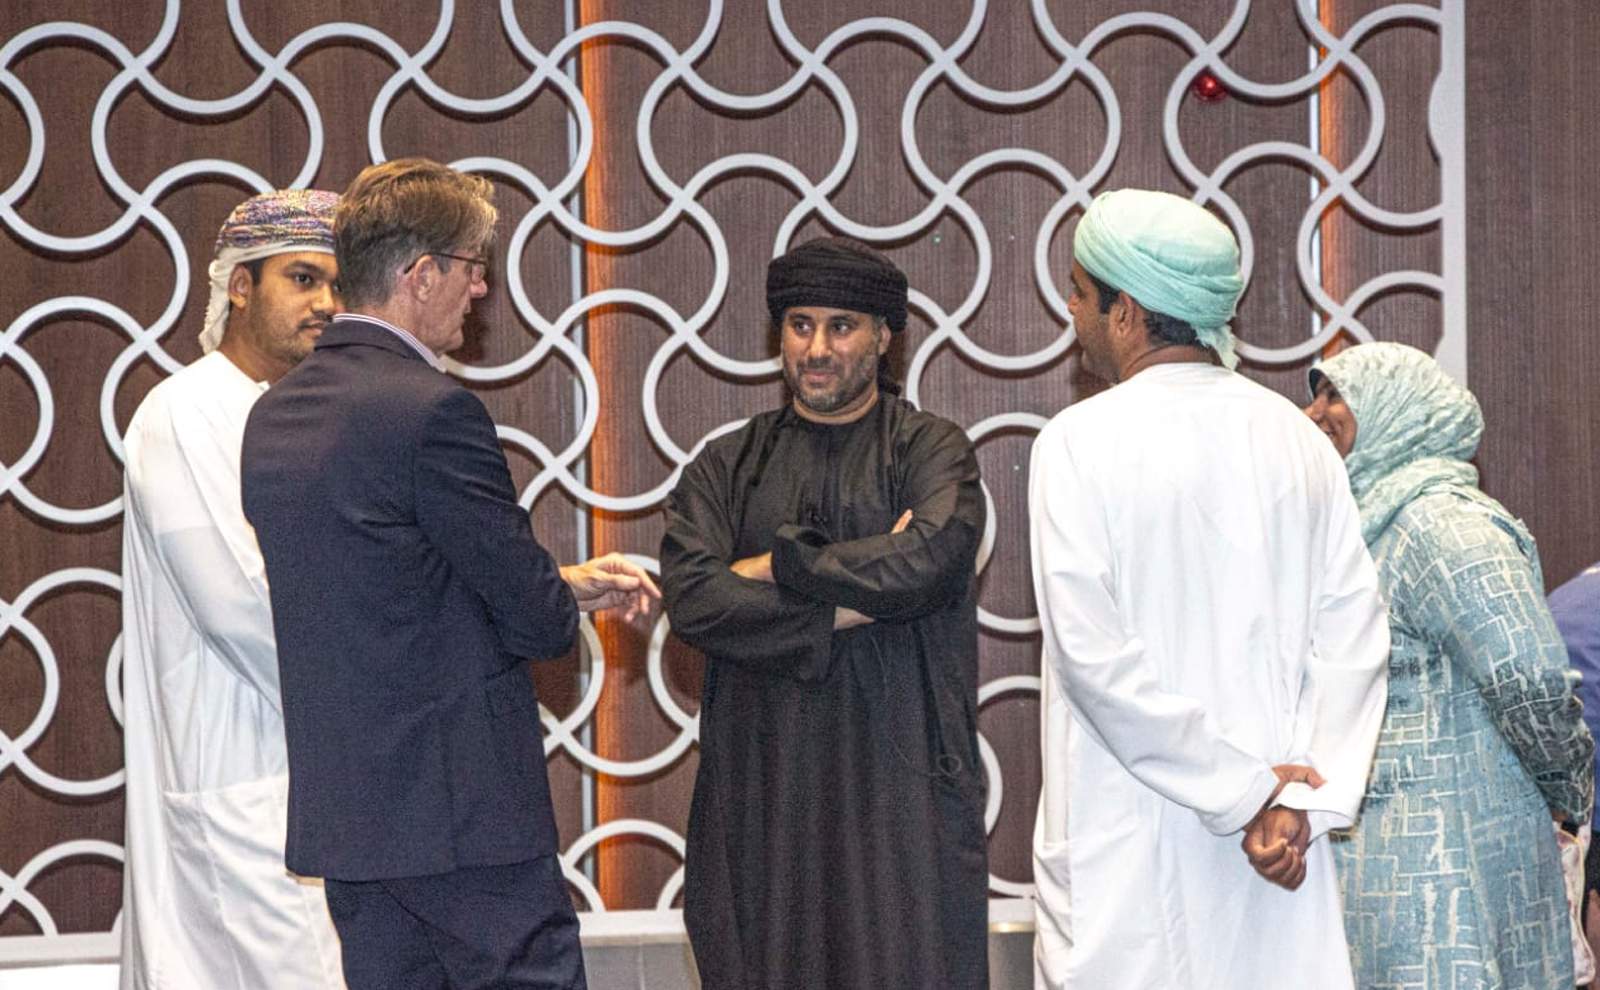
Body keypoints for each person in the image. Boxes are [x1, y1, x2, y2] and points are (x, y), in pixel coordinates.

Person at [239, 158, 657, 990]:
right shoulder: (434, 411)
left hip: (354, 822)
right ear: (421, 273)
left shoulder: (272, 416)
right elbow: (537, 622)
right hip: (466, 820)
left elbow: (389, 588)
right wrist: (554, 594)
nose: (481, 290)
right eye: (473, 268)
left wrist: (560, 581)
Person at [1028, 188, 1391, 989]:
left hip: (1130, 839)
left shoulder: (1076, 442)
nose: (1071, 310)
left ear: (1126, 313)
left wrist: (1248, 793)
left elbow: (1094, 660)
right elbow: (1355, 641)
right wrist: (1291, 802)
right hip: (1274, 848)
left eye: (1081, 294)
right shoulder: (1298, 440)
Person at [660, 237, 990, 989]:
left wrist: (773, 564)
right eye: (800, 325)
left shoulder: (932, 450)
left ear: (883, 336)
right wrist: (852, 605)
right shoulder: (725, 465)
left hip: (901, 789)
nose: (817, 349)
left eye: (841, 327)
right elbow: (695, 601)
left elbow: (928, 563)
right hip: (764, 794)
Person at [1304, 341, 1594, 990]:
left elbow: (1527, 675)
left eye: (1335, 394)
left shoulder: (1441, 524)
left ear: (1398, 407)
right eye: (1315, 394)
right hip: (1392, 866)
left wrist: (1568, 786)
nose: (1314, 412)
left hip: (1453, 867)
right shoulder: (1362, 526)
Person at [120, 188, 347, 990]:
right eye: (303, 279)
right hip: (240, 782)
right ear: (239, 286)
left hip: (316, 785)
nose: (326, 304)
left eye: (337, 284)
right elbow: (240, 607)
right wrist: (377, 699)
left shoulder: (307, 416)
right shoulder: (185, 413)